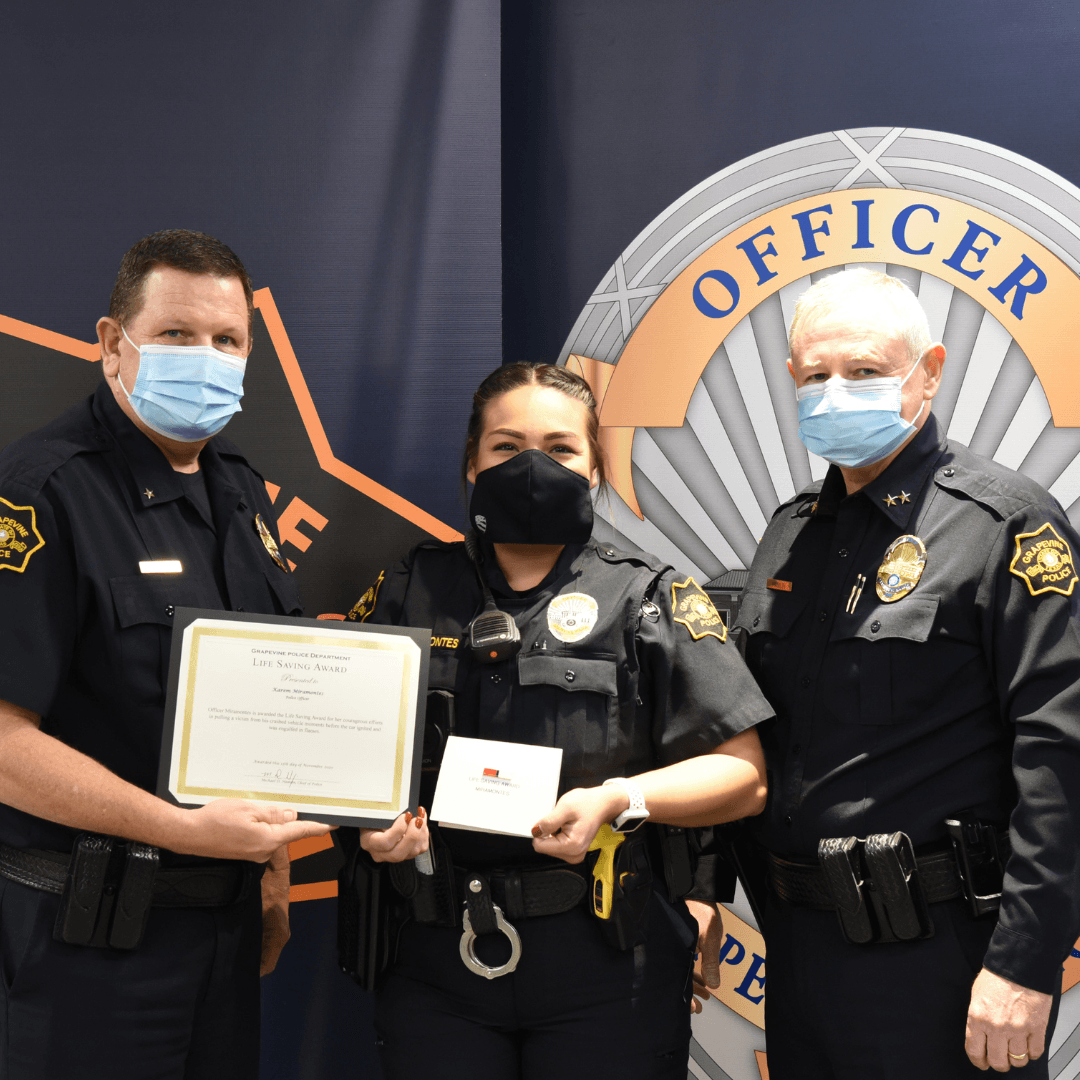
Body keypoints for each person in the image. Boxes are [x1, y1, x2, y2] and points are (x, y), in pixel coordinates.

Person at [341, 362, 773, 1080]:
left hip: (604, 953)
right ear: (471, 465)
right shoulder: (408, 589)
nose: (534, 466)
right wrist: (365, 826)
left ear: (596, 470)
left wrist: (619, 799)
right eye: (507, 448)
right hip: (432, 951)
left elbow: (743, 775)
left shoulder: (648, 597)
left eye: (561, 448)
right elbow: (334, 749)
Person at [729, 268, 1080, 1078]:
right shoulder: (789, 537)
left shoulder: (1002, 524)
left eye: (863, 371)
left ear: (929, 370)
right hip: (803, 948)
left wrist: (1024, 962)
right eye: (815, 376)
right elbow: (744, 734)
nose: (834, 392)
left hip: (944, 955)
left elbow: (1059, 755)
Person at [0, 229, 332, 1079]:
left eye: (227, 341)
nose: (207, 358)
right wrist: (182, 830)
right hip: (86, 945)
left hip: (222, 938)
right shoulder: (44, 493)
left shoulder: (240, 496)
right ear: (114, 345)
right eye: (178, 335)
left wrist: (263, 873)